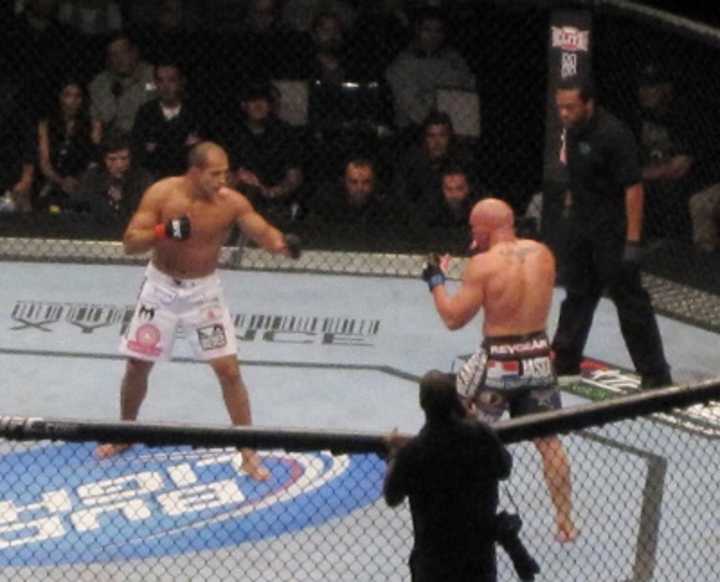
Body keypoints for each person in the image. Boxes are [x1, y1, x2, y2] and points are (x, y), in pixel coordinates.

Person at [95, 141, 302, 481]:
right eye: (215, 174)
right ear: (194, 171)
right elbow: (130, 243)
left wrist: (281, 245)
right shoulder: (162, 194)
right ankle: (124, 432)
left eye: (226, 173)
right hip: (160, 288)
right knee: (136, 365)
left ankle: (248, 452)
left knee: (229, 371)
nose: (223, 180)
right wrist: (165, 231)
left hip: (203, 294)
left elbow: (261, 230)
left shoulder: (231, 202)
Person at [421, 197, 578, 543]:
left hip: (498, 363)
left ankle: (460, 513)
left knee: (465, 433)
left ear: (483, 228)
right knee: (548, 440)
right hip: (539, 357)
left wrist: (436, 281)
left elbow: (453, 318)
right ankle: (565, 521)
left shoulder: (482, 265)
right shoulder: (543, 254)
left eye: (473, 227)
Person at [552, 77, 672, 390]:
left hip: (612, 231)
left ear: (588, 103)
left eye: (570, 107)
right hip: (582, 226)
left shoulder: (614, 135)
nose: (563, 113)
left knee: (630, 302)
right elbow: (576, 176)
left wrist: (632, 241)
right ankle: (565, 361)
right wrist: (569, 211)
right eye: (560, 107)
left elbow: (633, 188)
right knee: (577, 294)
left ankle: (656, 376)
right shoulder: (573, 129)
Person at [383, 370, 514, 582]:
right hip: (477, 558)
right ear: (456, 401)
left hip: (434, 561)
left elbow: (392, 497)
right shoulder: (480, 436)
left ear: (422, 404)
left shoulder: (414, 451)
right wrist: (475, 423)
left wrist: (393, 457)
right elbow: (504, 468)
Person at [72, 130, 152, 224]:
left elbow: (146, 212)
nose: (119, 165)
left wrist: (122, 200)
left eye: (124, 158)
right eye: (112, 159)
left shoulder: (141, 178)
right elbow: (79, 203)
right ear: (103, 159)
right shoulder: (93, 176)